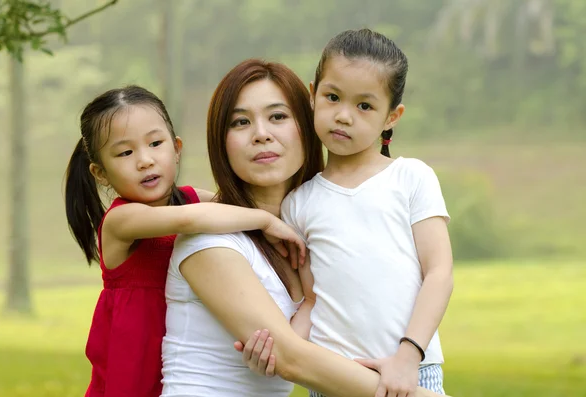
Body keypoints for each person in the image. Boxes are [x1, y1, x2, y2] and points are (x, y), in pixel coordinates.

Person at [162, 59, 445, 397]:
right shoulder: (209, 240)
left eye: (278, 116)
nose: (262, 134)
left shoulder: (305, 223)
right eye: (240, 122)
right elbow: (292, 358)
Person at [240, 28, 454, 397]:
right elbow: (312, 299)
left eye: (364, 106)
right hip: (332, 379)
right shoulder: (298, 202)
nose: (343, 116)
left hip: (411, 373)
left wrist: (408, 355)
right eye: (333, 97)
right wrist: (280, 350)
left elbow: (439, 272)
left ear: (392, 116)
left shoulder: (411, 177)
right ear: (312, 95)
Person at [64, 85, 306, 397]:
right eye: (125, 152)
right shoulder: (121, 220)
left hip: (181, 362)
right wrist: (265, 220)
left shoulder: (194, 200)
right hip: (131, 370)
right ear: (100, 173)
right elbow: (193, 219)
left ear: (176, 148)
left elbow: (232, 206)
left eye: (155, 143)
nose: (145, 160)